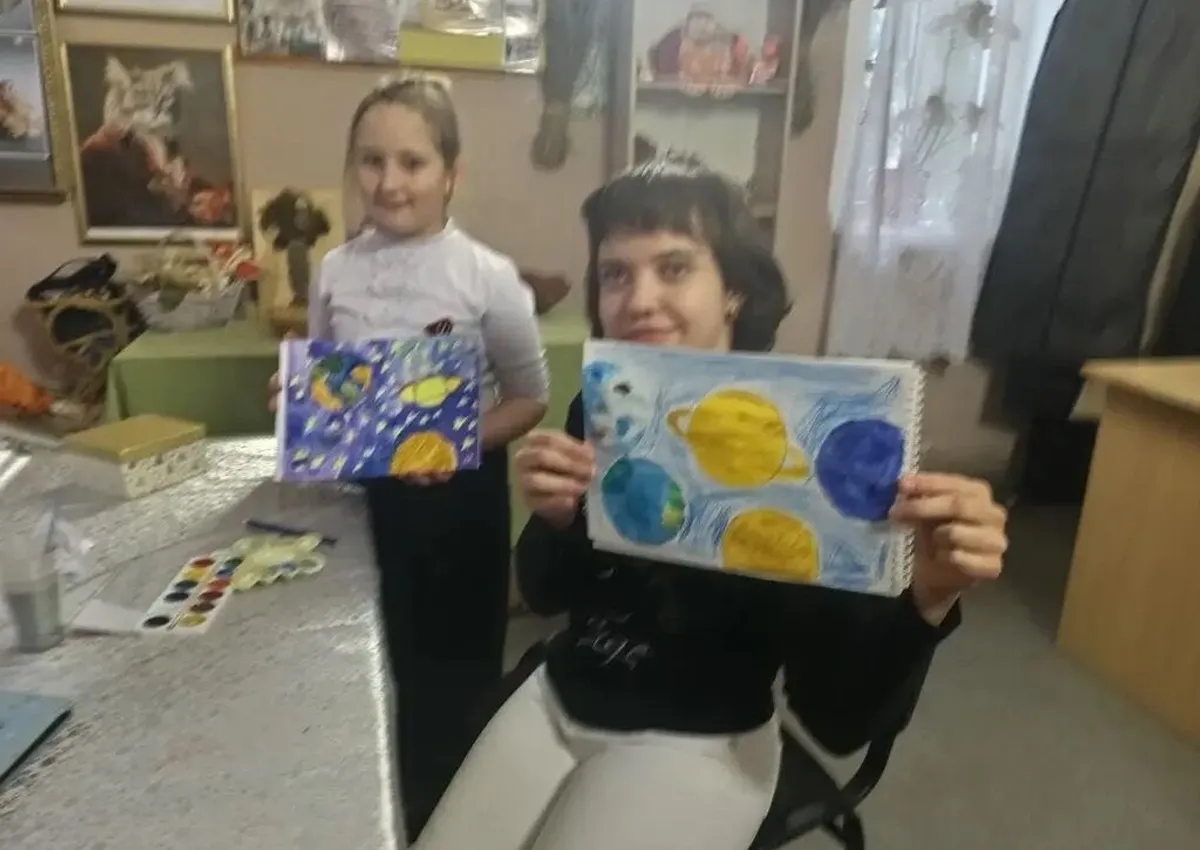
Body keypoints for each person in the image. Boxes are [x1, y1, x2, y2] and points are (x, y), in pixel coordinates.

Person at [413, 157, 1008, 850]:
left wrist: (927, 597)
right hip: (560, 696)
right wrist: (556, 520)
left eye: (674, 268)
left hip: (702, 740)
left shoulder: (809, 441)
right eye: (615, 274)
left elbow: (837, 717)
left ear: (733, 290)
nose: (638, 299)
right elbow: (546, 591)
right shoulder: (609, 404)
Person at [270, 75, 549, 843]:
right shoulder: (335, 270)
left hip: (458, 507)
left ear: (452, 172)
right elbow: (333, 384)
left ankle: (451, 823)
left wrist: (453, 442)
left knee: (455, 681)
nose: (389, 182)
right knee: (369, 662)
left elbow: (530, 398)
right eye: (371, 161)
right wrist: (301, 399)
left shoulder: (487, 276)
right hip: (369, 505)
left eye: (413, 162)